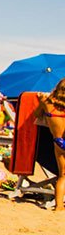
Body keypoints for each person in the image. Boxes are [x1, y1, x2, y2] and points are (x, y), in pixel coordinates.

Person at [38, 77, 65, 212]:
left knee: (63, 175)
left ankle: (59, 206)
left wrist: (41, 101)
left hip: (58, 142)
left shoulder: (48, 104)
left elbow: (36, 116)